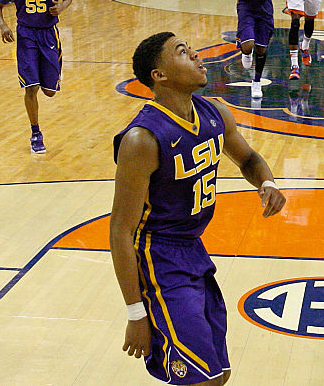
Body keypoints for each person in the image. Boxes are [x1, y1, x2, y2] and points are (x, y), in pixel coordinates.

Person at [110, 32, 286, 385]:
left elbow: (248, 158)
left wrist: (266, 182)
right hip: (158, 258)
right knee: (201, 380)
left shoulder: (215, 111)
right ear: (159, 75)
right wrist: (136, 314)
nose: (196, 55)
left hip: (193, 250)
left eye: (191, 48)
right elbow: (121, 232)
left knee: (218, 374)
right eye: (182, 51)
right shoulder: (141, 139)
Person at [0, 0, 73, 154]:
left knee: (49, 92)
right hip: (26, 35)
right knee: (31, 87)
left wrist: (62, 8)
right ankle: (36, 133)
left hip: (49, 34)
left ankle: (52, 74)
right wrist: (3, 26)